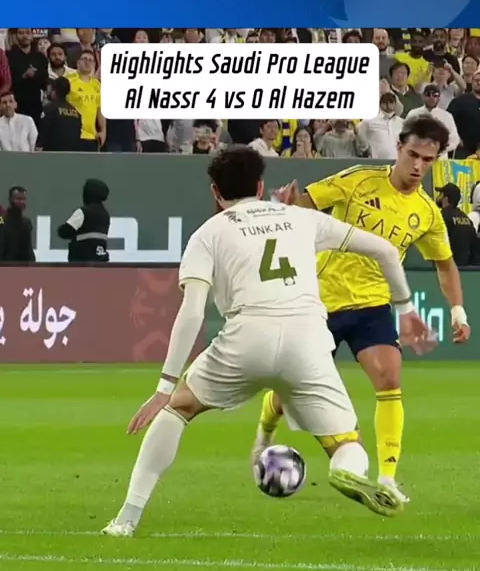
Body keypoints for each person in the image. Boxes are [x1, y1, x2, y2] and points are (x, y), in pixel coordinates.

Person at [102, 146, 432, 537]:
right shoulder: (301, 218)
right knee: (347, 443)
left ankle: (127, 519)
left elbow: (191, 312)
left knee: (178, 409)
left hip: (246, 338)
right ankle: (348, 472)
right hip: (307, 340)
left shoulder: (207, 234)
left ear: (215, 192)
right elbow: (385, 250)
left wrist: (164, 387)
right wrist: (405, 307)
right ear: (260, 186)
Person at [253, 116, 471, 504]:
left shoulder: (426, 212)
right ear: (399, 148)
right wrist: (286, 204)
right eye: (413, 155)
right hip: (321, 299)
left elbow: (445, 264)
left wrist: (458, 312)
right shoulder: (359, 179)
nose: (418, 166)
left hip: (373, 304)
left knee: (390, 378)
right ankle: (264, 432)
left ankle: (387, 479)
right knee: (290, 392)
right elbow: (306, 203)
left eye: (428, 159)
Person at [57, 178, 110, 262]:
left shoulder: (83, 212)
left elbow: (65, 231)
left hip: (82, 260)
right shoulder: (105, 214)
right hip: (100, 260)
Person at [6, 29, 48, 126]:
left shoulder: (40, 57)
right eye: (21, 33)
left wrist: (34, 75)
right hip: (16, 102)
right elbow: (7, 80)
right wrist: (24, 76)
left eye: (28, 33)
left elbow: (45, 81)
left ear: (32, 36)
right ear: (16, 36)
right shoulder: (8, 56)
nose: (24, 36)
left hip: (35, 103)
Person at [405, 85, 460, 158]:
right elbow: (405, 134)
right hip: (418, 156)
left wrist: (440, 150)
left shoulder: (447, 116)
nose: (431, 97)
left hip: (440, 157)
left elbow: (454, 139)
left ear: (439, 98)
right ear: (423, 97)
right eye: (428, 94)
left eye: (435, 95)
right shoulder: (414, 114)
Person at [67, 50, 105, 151]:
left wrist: (103, 131)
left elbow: (100, 110)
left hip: (92, 136)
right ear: (78, 62)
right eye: (84, 59)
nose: (87, 62)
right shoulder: (68, 81)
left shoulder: (97, 85)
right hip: (71, 135)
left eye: (91, 60)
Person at [435, 183, 478, 266]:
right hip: (466, 269)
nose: (438, 197)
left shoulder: (441, 217)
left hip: (448, 268)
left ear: (445, 199)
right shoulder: (466, 218)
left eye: (440, 194)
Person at [36, 78, 82, 152]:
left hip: (51, 154)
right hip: (71, 154)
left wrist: (38, 148)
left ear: (54, 91)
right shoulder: (76, 112)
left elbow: (43, 133)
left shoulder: (49, 109)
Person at [0, 187, 35, 263]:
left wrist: (32, 263)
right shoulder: (2, 220)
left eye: (24, 199)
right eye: (18, 199)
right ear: (11, 200)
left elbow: (29, 249)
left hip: (23, 266)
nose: (22, 201)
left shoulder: (27, 222)